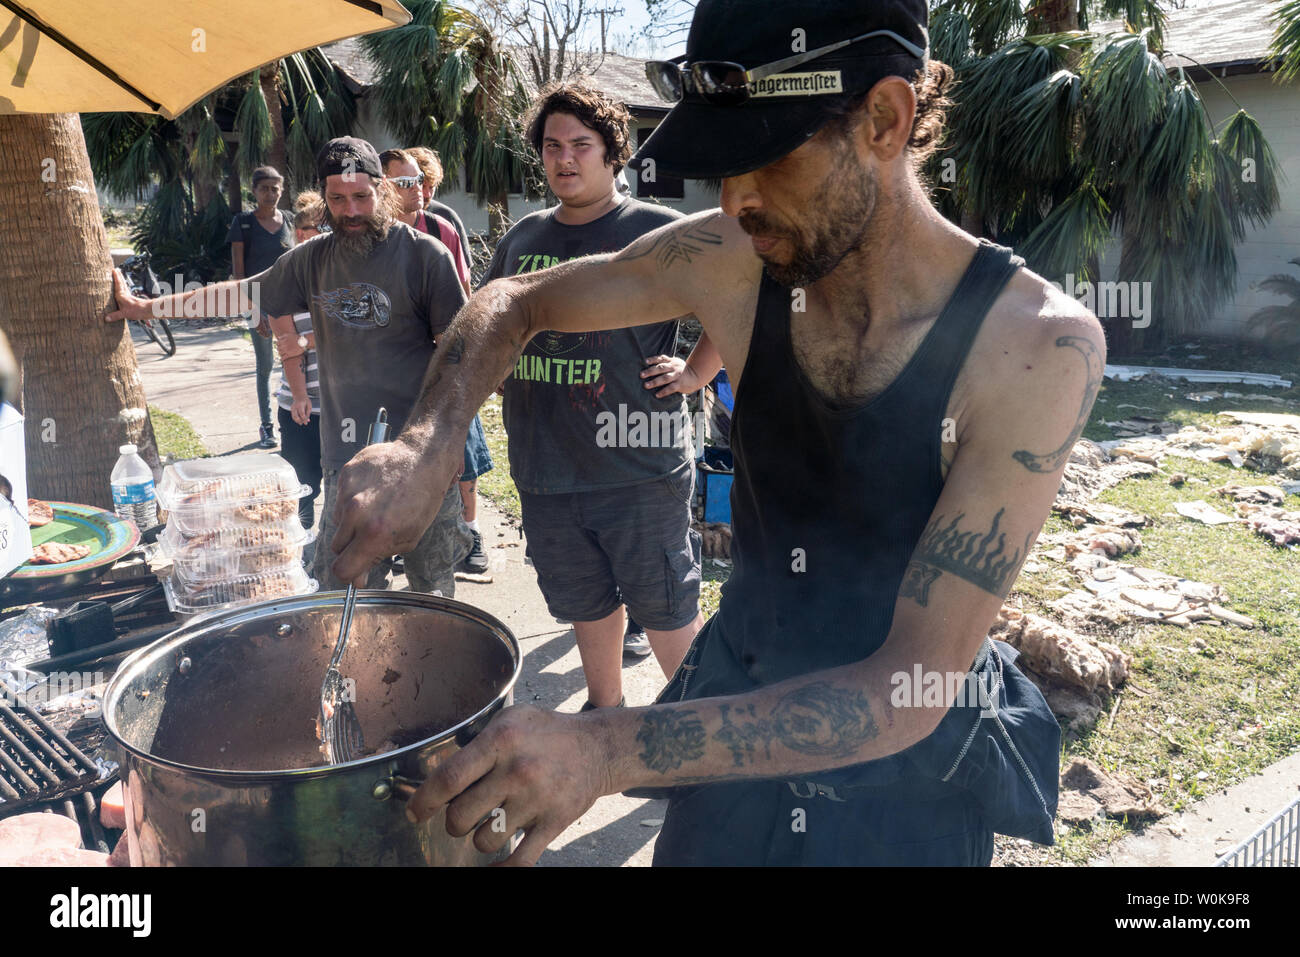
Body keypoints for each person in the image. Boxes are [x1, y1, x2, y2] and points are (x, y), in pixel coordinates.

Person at [329, 0, 1100, 866]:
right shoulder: (737, 258)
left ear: (885, 119)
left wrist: (606, 747)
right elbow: (521, 298)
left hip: (904, 787)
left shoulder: (1037, 347)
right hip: (735, 705)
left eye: (766, 157)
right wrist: (427, 442)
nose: (734, 199)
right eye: (721, 165)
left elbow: (906, 685)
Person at [109, 136, 472, 597]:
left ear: (382, 191)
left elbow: (459, 359)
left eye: (362, 196)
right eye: (338, 200)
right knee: (344, 589)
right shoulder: (311, 260)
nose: (352, 211)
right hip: (349, 462)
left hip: (420, 461)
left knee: (431, 589)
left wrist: (449, 441)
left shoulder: (425, 256)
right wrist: (144, 309)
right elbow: (237, 292)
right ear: (324, 200)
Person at [473, 80, 718, 706]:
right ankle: (605, 710)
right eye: (553, 145)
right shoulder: (522, 240)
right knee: (586, 601)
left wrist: (695, 373)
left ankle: (699, 736)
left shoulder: (660, 231)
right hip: (546, 469)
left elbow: (736, 305)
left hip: (637, 466)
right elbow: (493, 324)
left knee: (665, 608)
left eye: (582, 145)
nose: (565, 159)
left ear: (614, 153)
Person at [380, 148, 494, 575]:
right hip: (393, 373)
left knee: (463, 456)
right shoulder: (368, 237)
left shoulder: (442, 230)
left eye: (421, 182)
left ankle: (469, 533)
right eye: (407, 183)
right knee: (393, 456)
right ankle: (395, 536)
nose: (420, 191)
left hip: (445, 365)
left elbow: (464, 300)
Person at [266, 191, 329, 531]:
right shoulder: (285, 274)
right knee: (301, 487)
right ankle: (299, 552)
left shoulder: (343, 274)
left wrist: (306, 341)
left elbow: (353, 333)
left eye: (316, 228)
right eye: (301, 228)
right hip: (299, 406)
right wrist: (301, 396)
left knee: (345, 486)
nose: (306, 234)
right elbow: (286, 346)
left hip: (344, 405)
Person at [228, 166, 294, 450]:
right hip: (259, 305)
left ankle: (294, 421)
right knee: (265, 366)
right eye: (265, 188)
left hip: (290, 305)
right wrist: (253, 313)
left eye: (275, 188)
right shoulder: (243, 222)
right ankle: (267, 427)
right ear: (254, 191)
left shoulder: (290, 220)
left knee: (296, 361)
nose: (270, 193)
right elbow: (239, 275)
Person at [407, 146, 473, 269]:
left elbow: (463, 276)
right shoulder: (380, 218)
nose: (427, 194)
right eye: (422, 185)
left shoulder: (445, 217)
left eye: (432, 187)